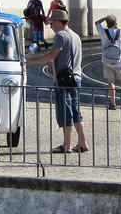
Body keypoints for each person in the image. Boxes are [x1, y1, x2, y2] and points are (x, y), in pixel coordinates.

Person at [27, 9, 87, 154]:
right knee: (75, 109)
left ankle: (67, 145)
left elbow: (52, 54)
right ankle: (83, 143)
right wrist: (54, 63)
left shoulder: (60, 36)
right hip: (76, 77)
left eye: (52, 23)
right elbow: (66, 56)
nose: (51, 26)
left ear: (60, 22)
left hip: (64, 80)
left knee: (65, 111)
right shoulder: (76, 36)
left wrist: (30, 61)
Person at [95, 15, 121, 111]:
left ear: (107, 23)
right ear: (115, 23)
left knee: (111, 83)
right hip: (119, 60)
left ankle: (113, 103)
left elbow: (96, 23)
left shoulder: (103, 32)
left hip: (107, 61)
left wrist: (105, 18)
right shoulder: (120, 32)